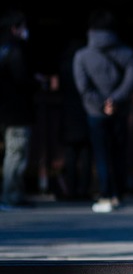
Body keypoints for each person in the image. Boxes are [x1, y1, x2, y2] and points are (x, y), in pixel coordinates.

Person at [73, 9, 133, 213]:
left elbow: (83, 87)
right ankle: (118, 193)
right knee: (119, 152)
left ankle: (105, 194)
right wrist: (115, 100)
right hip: (120, 109)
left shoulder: (82, 56)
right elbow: (131, 81)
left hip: (95, 111)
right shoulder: (127, 54)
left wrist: (102, 104)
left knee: (101, 154)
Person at [0, 10, 36, 209]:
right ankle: (11, 194)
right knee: (16, 152)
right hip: (16, 112)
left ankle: (12, 193)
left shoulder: (3, 49)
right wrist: (37, 83)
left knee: (11, 153)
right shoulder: (15, 51)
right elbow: (22, 80)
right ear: (15, 29)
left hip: (5, 112)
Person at [57, 38, 92, 200]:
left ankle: (70, 189)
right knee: (85, 156)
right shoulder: (86, 64)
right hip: (85, 112)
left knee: (70, 156)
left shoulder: (64, 66)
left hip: (68, 114)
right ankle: (83, 189)